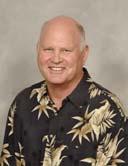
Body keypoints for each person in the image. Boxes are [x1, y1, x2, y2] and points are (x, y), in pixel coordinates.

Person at [0, 15, 128, 166]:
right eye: (48, 49)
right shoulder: (23, 104)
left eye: (66, 50)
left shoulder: (109, 111)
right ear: (37, 50)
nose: (56, 59)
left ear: (84, 54)